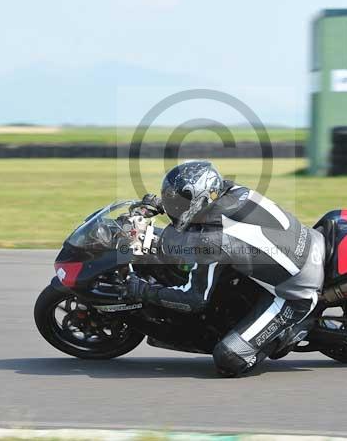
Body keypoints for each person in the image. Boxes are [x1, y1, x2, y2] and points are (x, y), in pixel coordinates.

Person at [118, 160, 325, 376]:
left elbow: (194, 299)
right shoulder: (234, 191)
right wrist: (162, 204)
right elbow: (198, 215)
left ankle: (288, 331)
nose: (174, 208)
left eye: (178, 204)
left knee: (228, 359)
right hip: (306, 244)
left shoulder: (213, 242)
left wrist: (142, 290)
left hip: (295, 292)